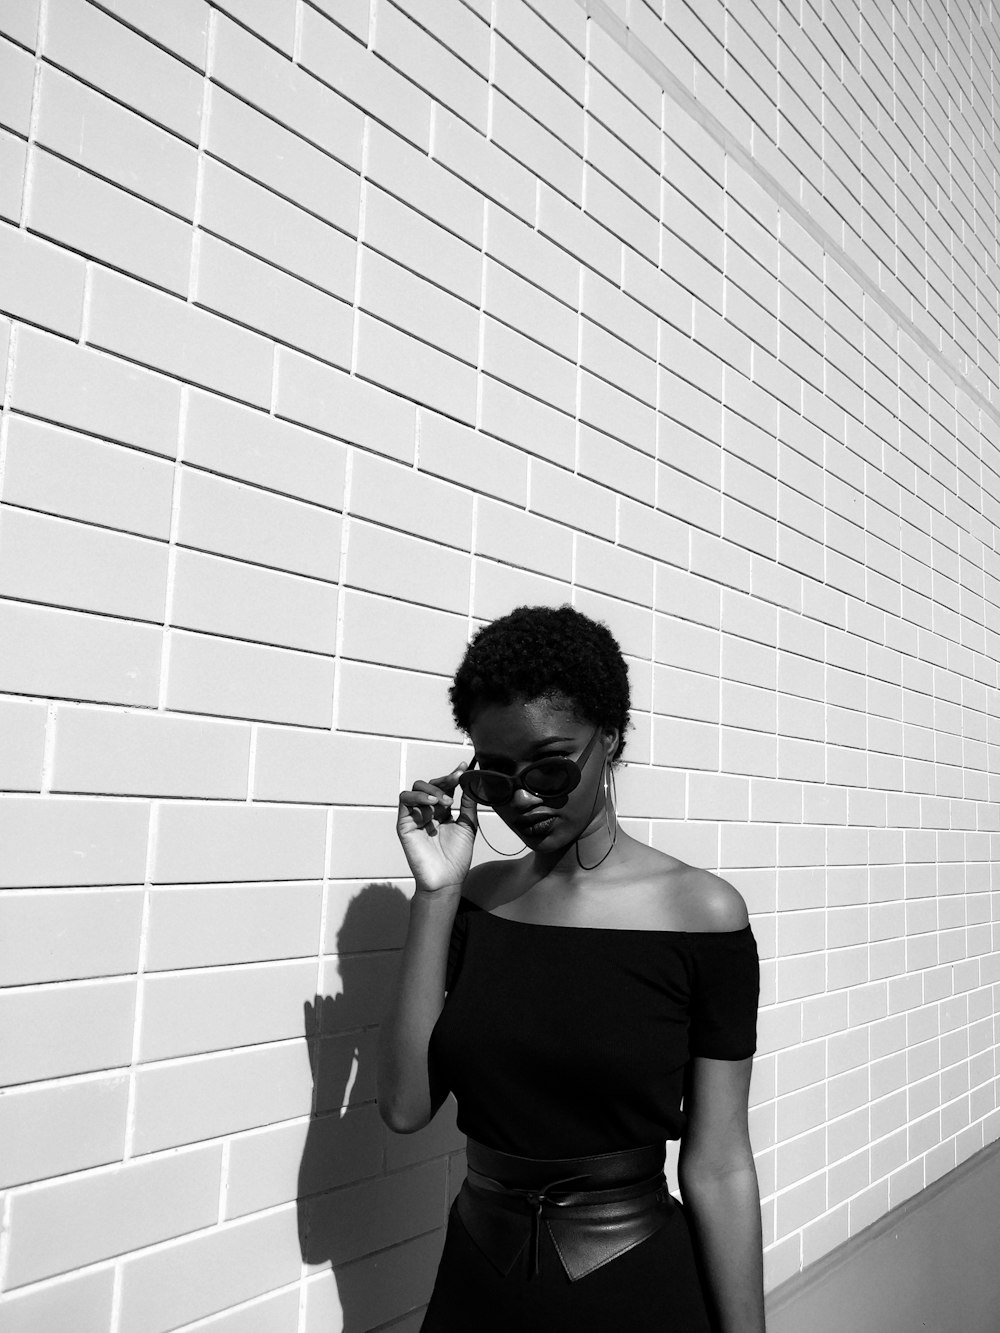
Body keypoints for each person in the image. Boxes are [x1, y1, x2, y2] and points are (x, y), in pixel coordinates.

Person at [377, 604, 764, 1332]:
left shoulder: (701, 913)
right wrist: (437, 892)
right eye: (496, 776)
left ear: (609, 739)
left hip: (635, 1289)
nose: (523, 797)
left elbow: (718, 1163)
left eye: (552, 766)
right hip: (477, 1285)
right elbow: (404, 1108)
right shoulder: (479, 901)